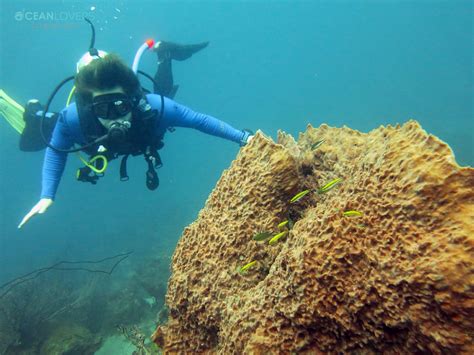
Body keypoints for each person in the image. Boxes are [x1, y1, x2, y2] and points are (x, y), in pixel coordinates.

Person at [16, 42, 253, 229]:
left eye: (119, 106)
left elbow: (199, 120)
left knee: (165, 96)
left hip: (143, 121)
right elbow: (56, 150)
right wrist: (47, 195)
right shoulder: (73, 119)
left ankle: (165, 55)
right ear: (89, 107)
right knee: (31, 140)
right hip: (83, 134)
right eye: (102, 109)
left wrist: (244, 138)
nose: (114, 117)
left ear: (131, 99)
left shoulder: (156, 107)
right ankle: (35, 112)